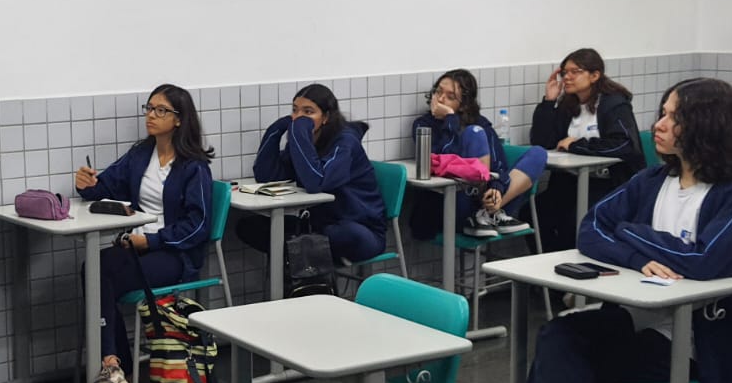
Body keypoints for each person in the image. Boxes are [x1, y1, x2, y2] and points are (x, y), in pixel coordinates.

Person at [509, 78, 732, 383]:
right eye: (663, 114)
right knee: (558, 338)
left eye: (673, 117)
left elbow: (703, 260)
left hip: (696, 343)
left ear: (707, 125)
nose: (658, 125)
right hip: (641, 321)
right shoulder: (652, 180)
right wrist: (636, 257)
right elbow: (590, 228)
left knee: (560, 362)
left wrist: (631, 231)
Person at [75, 84, 215, 383]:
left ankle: (115, 369)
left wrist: (151, 241)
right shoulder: (141, 154)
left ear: (179, 119)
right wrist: (87, 183)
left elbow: (198, 226)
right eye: (149, 108)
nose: (151, 115)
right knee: (95, 268)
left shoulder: (194, 167)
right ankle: (116, 370)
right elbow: (106, 185)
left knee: (100, 272)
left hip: (174, 255)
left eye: (160, 110)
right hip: (138, 248)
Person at [237, 84, 386, 264]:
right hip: (317, 225)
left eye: (308, 112)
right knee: (250, 227)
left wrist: (299, 130)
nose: (299, 118)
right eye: (295, 110)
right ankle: (305, 266)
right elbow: (267, 176)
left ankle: (303, 266)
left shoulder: (345, 142)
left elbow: (317, 182)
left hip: (360, 228)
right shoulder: (303, 141)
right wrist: (275, 131)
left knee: (334, 235)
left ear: (326, 117)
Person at [408, 69, 548, 240]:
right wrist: (450, 120)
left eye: (450, 97)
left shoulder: (480, 123)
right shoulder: (423, 125)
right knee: (473, 133)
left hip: (489, 200)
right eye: (438, 92)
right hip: (451, 205)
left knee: (538, 154)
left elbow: (499, 165)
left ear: (464, 104)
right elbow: (441, 161)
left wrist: (496, 188)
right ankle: (485, 215)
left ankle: (488, 212)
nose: (441, 99)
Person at [529, 48, 645, 251]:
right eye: (564, 72)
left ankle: (568, 263)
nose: (567, 77)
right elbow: (542, 142)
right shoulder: (568, 104)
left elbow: (624, 145)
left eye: (575, 72)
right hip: (570, 181)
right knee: (533, 213)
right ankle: (549, 262)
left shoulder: (614, 104)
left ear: (594, 75)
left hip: (609, 182)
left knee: (573, 220)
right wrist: (549, 102)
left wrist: (576, 145)